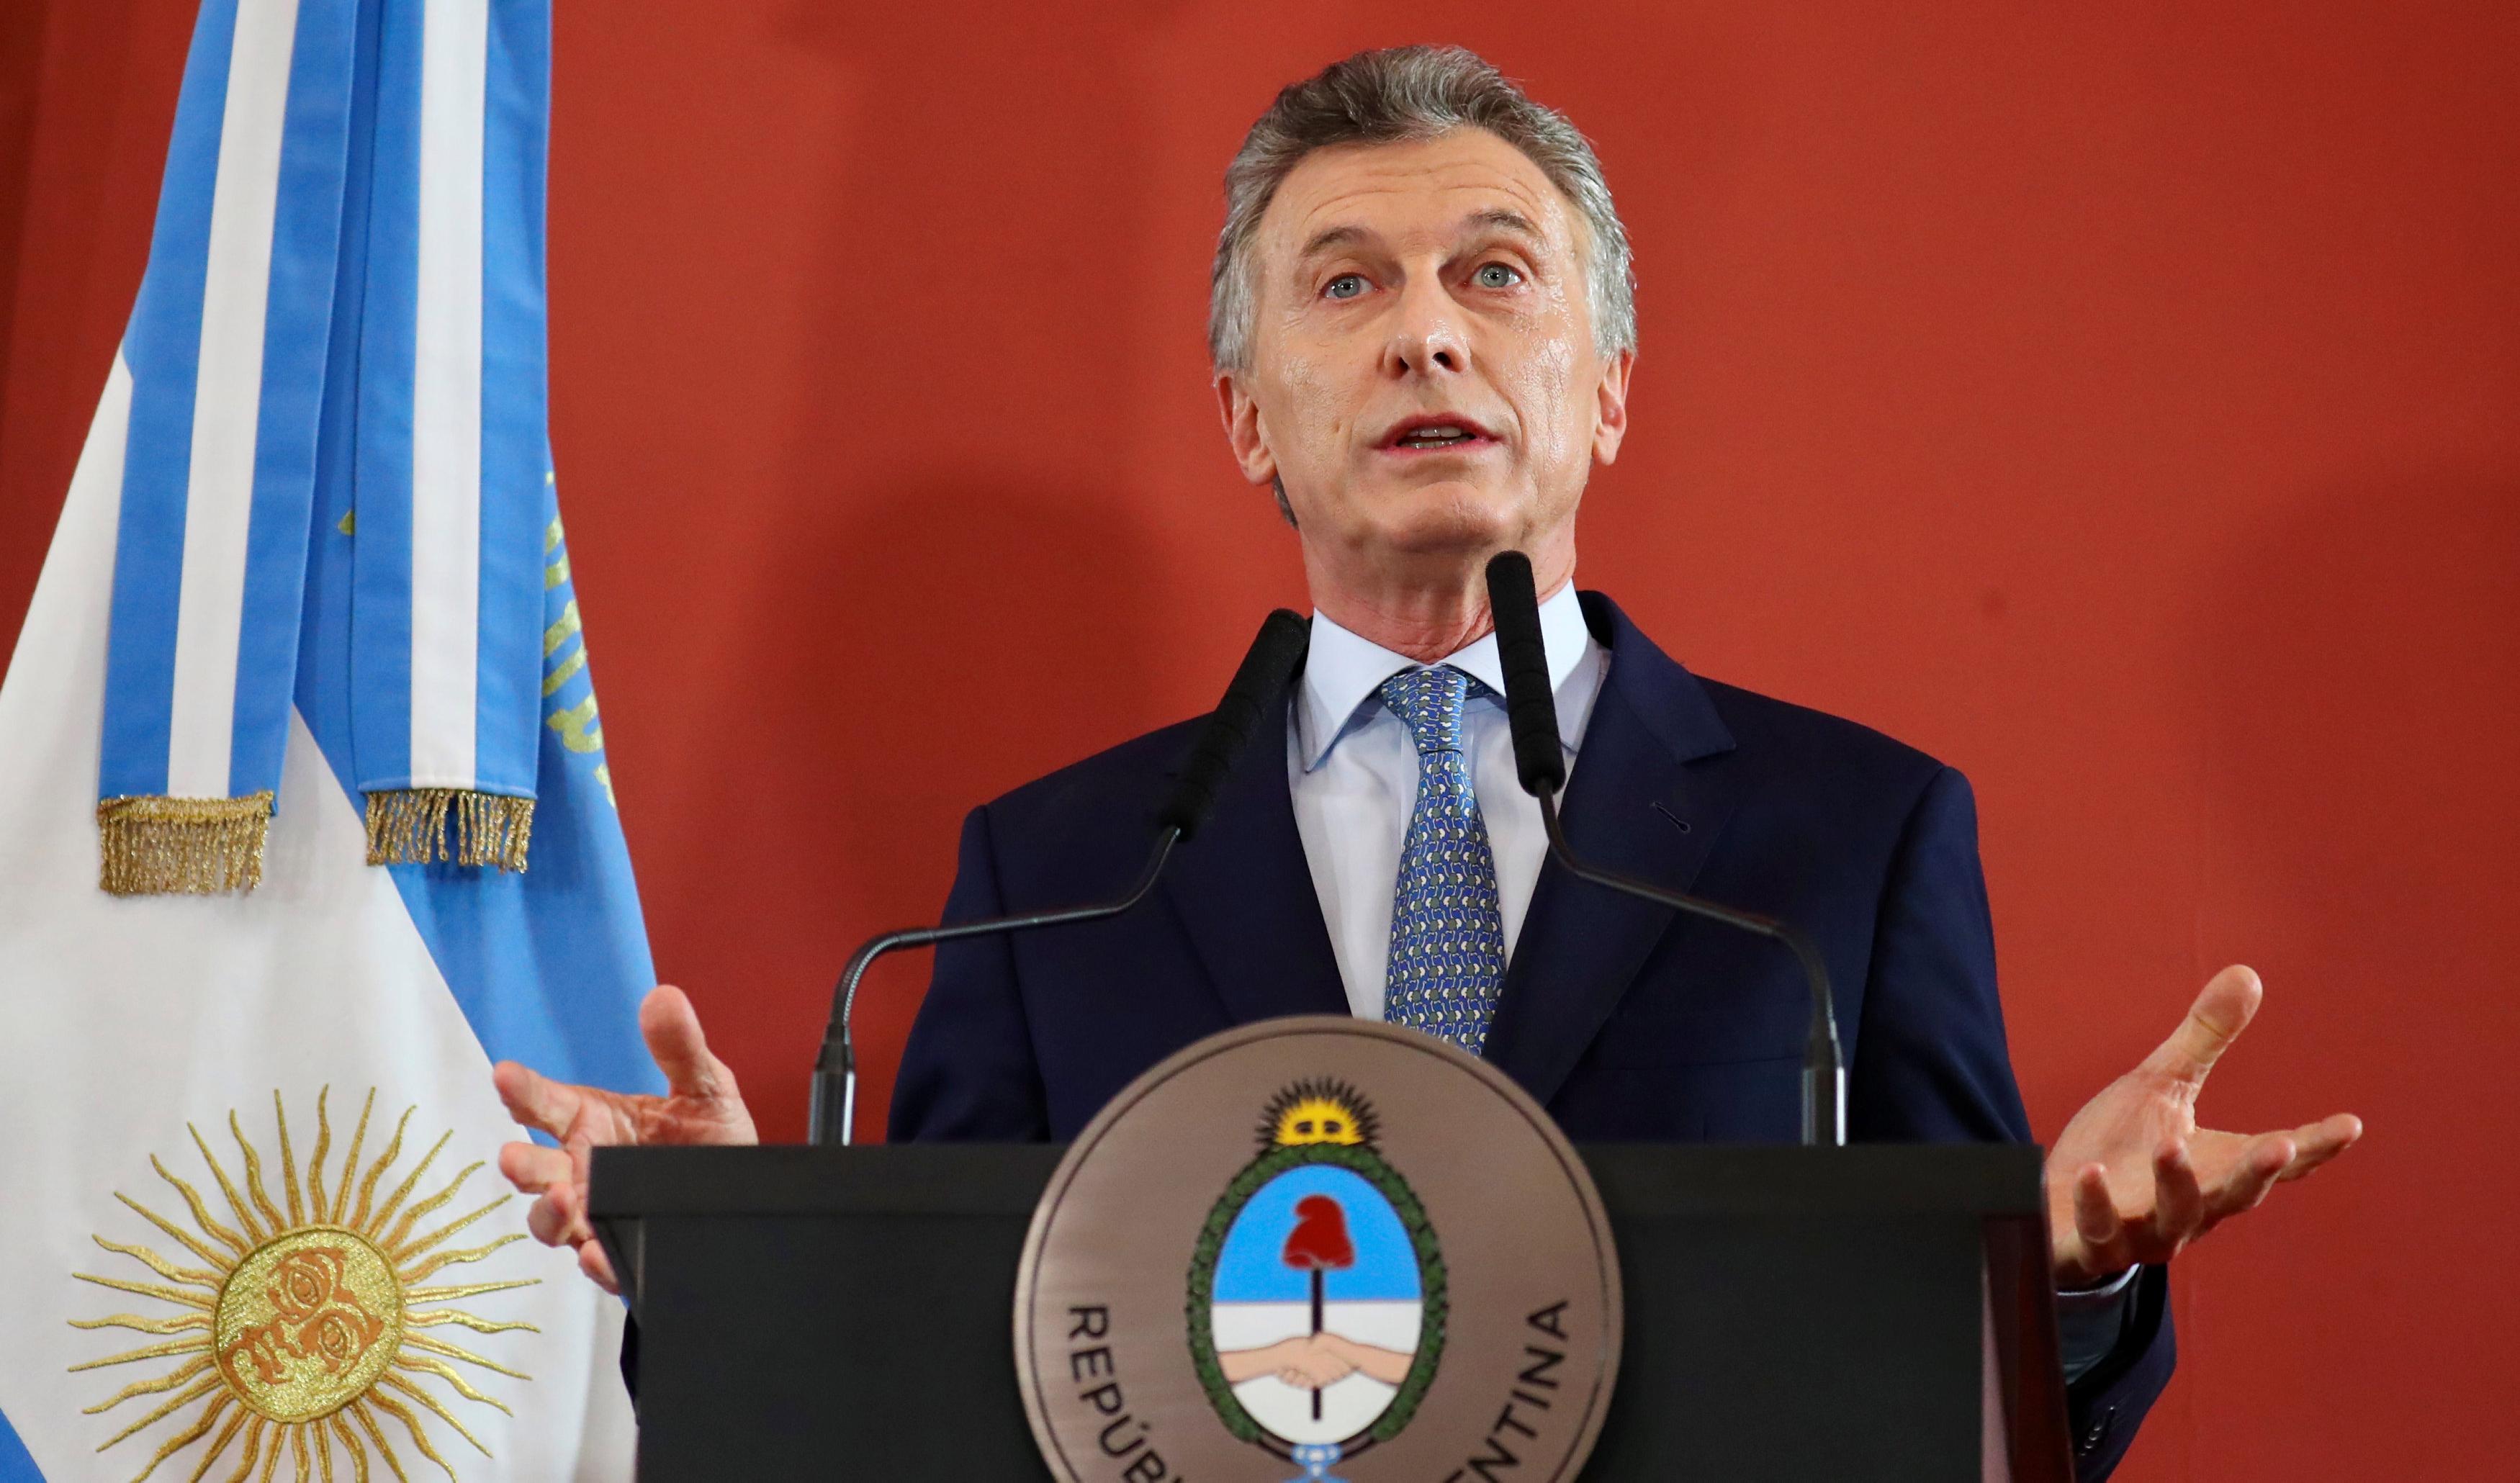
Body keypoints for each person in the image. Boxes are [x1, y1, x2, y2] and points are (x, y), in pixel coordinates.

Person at [492, 46, 2360, 1478]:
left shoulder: (1844, 836)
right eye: (1345, 286)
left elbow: (1973, 1412)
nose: (1427, 333)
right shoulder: (1057, 867)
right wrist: (748, 1247)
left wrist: (2068, 1275)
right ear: (1247, 417)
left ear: (1605, 383)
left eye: (1491, 272)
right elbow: (957, 1386)